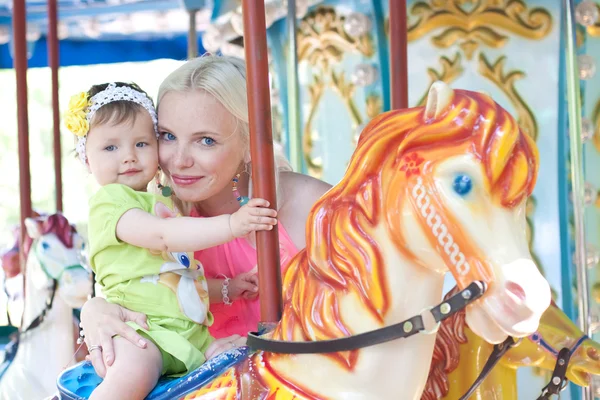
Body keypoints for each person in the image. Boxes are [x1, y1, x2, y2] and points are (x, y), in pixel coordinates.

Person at [79, 55, 332, 380]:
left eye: (206, 140)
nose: (180, 160)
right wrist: (94, 309)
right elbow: (139, 289)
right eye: (168, 136)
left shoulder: (312, 207)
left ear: (248, 143)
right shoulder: (159, 218)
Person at [65, 81, 278, 399]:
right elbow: (161, 237)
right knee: (133, 373)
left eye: (141, 144)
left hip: (190, 336)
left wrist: (228, 288)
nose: (129, 157)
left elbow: (177, 277)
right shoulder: (111, 203)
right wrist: (233, 225)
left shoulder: (159, 203)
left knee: (241, 365)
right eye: (111, 148)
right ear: (86, 161)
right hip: (143, 331)